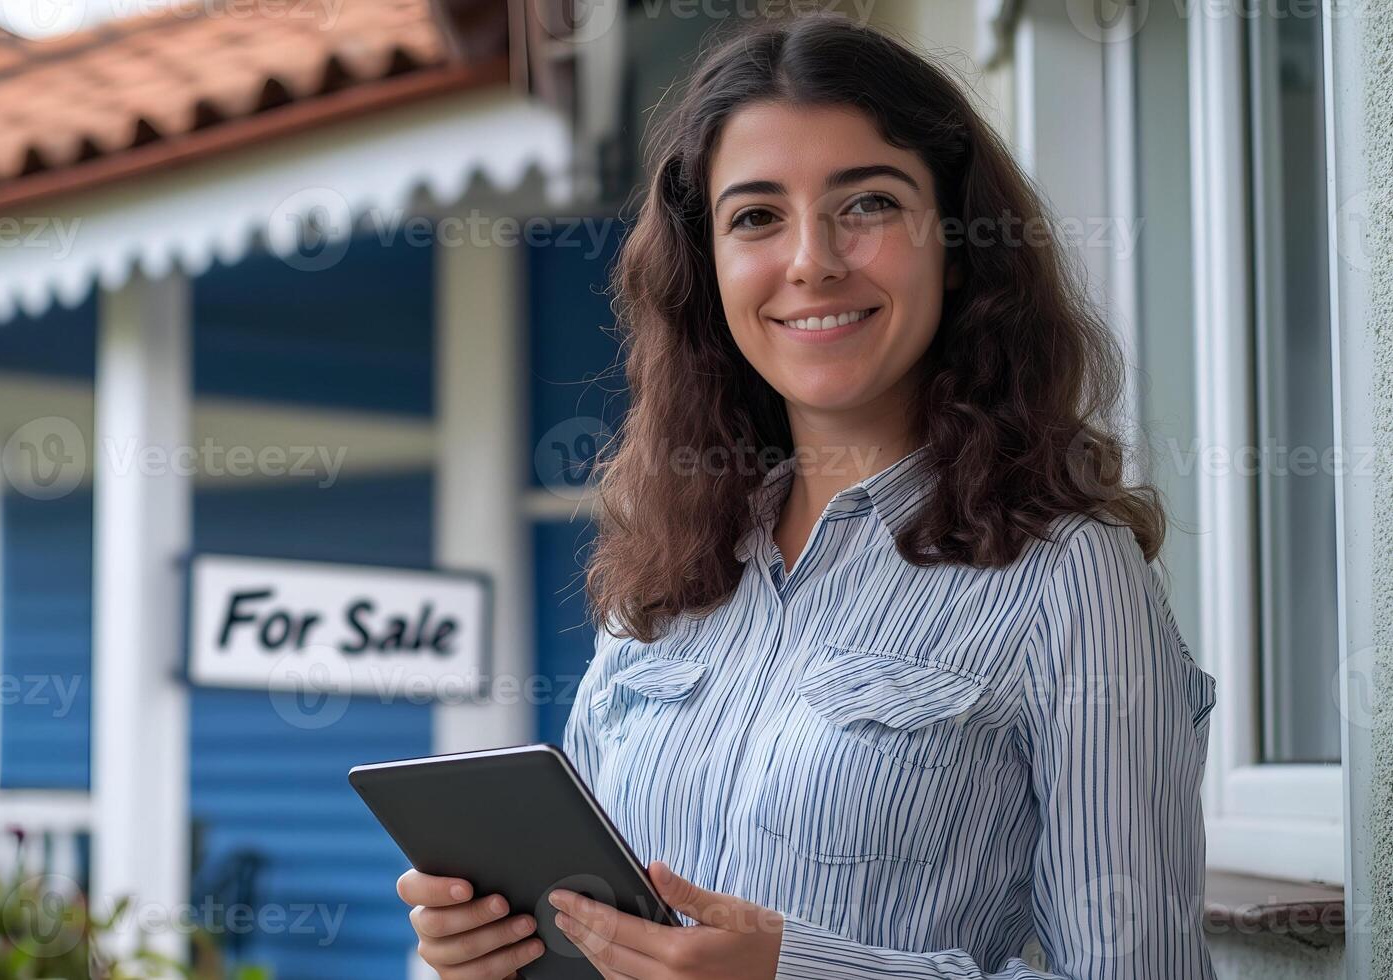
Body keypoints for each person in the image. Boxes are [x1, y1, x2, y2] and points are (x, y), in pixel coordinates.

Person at [396, 11, 1218, 979]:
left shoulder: (1065, 573)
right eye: (755, 215)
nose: (810, 260)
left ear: (956, 242)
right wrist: (490, 955)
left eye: (865, 203)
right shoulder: (665, 577)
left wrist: (795, 970)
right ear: (707, 267)